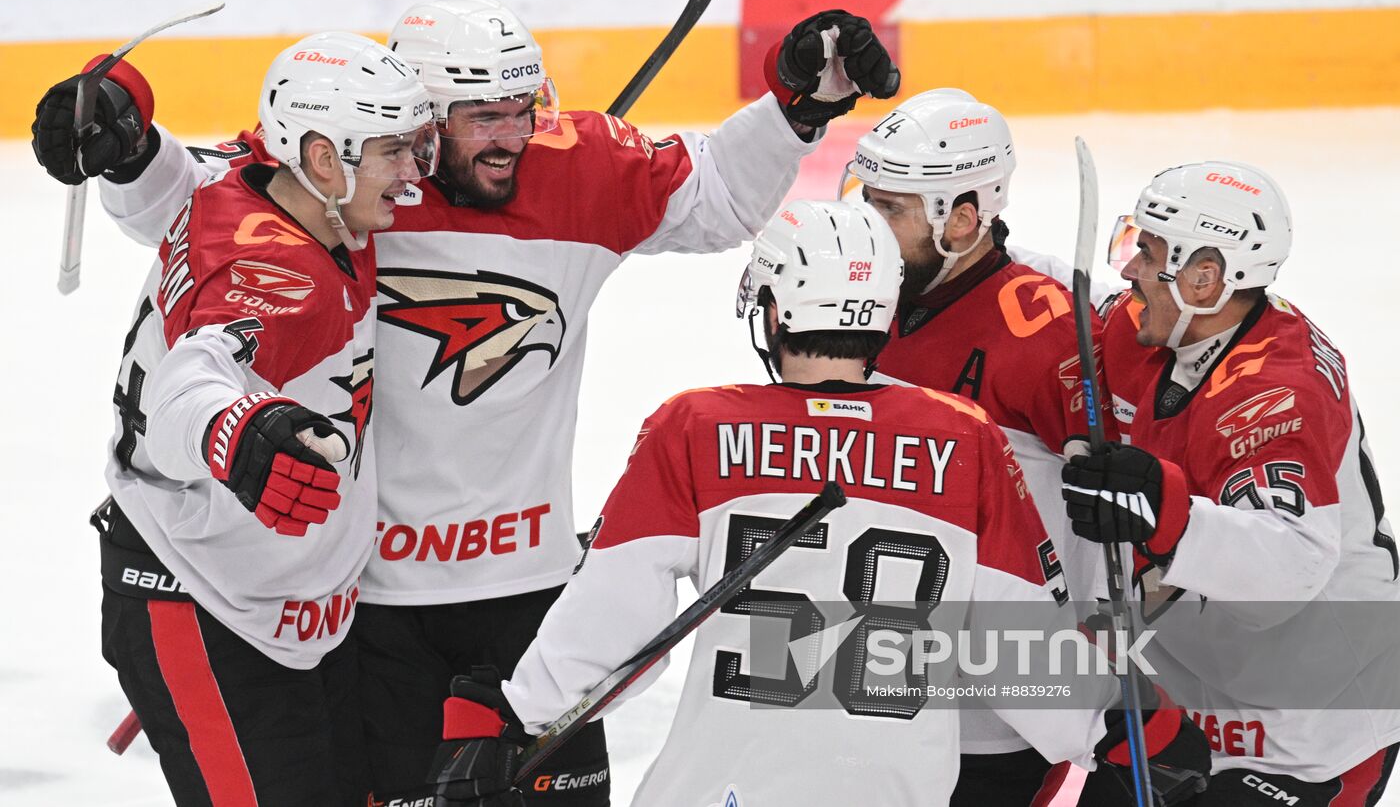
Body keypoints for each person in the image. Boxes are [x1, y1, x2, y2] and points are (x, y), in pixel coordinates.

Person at [31, 0, 900, 803]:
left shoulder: (576, 168)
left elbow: (714, 196)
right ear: (415, 116)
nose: (514, 136)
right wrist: (133, 153)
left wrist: (796, 109)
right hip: (370, 604)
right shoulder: (357, 187)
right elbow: (204, 203)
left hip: (527, 587)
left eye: (524, 106)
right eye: (482, 115)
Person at [423, 199, 1208, 807]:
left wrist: (515, 713)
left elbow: (617, 620)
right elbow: (1013, 639)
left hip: (727, 788)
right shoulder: (963, 438)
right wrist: (1118, 720)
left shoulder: (696, 426)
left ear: (773, 309)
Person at [83, 32, 436, 804]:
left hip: (274, 605)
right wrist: (237, 430)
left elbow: (188, 172)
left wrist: (133, 150)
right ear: (320, 160)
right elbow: (191, 383)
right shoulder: (279, 277)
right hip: (205, 603)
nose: (413, 176)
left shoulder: (255, 183)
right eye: (393, 153)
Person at [1063, 161, 1400, 805]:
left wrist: (1161, 510)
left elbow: (1289, 566)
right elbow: (1048, 307)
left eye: (1148, 251)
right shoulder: (1153, 334)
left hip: (1308, 731)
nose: (1129, 270)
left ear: (1204, 276)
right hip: (1189, 698)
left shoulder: (1275, 392)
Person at [841, 87, 1108, 804]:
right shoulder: (859, 294)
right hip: (874, 671)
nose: (865, 226)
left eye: (888, 209)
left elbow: (1126, 501)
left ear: (961, 220)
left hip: (994, 710)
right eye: (867, 200)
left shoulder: (1048, 328)